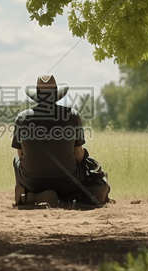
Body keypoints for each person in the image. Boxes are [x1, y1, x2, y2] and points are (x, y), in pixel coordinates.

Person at [12, 75, 109, 207]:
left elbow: (20, 154)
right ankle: (66, 198)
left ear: (37, 95)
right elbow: (79, 155)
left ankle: (31, 195)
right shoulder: (72, 115)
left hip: (33, 182)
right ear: (56, 94)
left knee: (16, 161)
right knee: (86, 171)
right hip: (68, 183)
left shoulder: (22, 117)